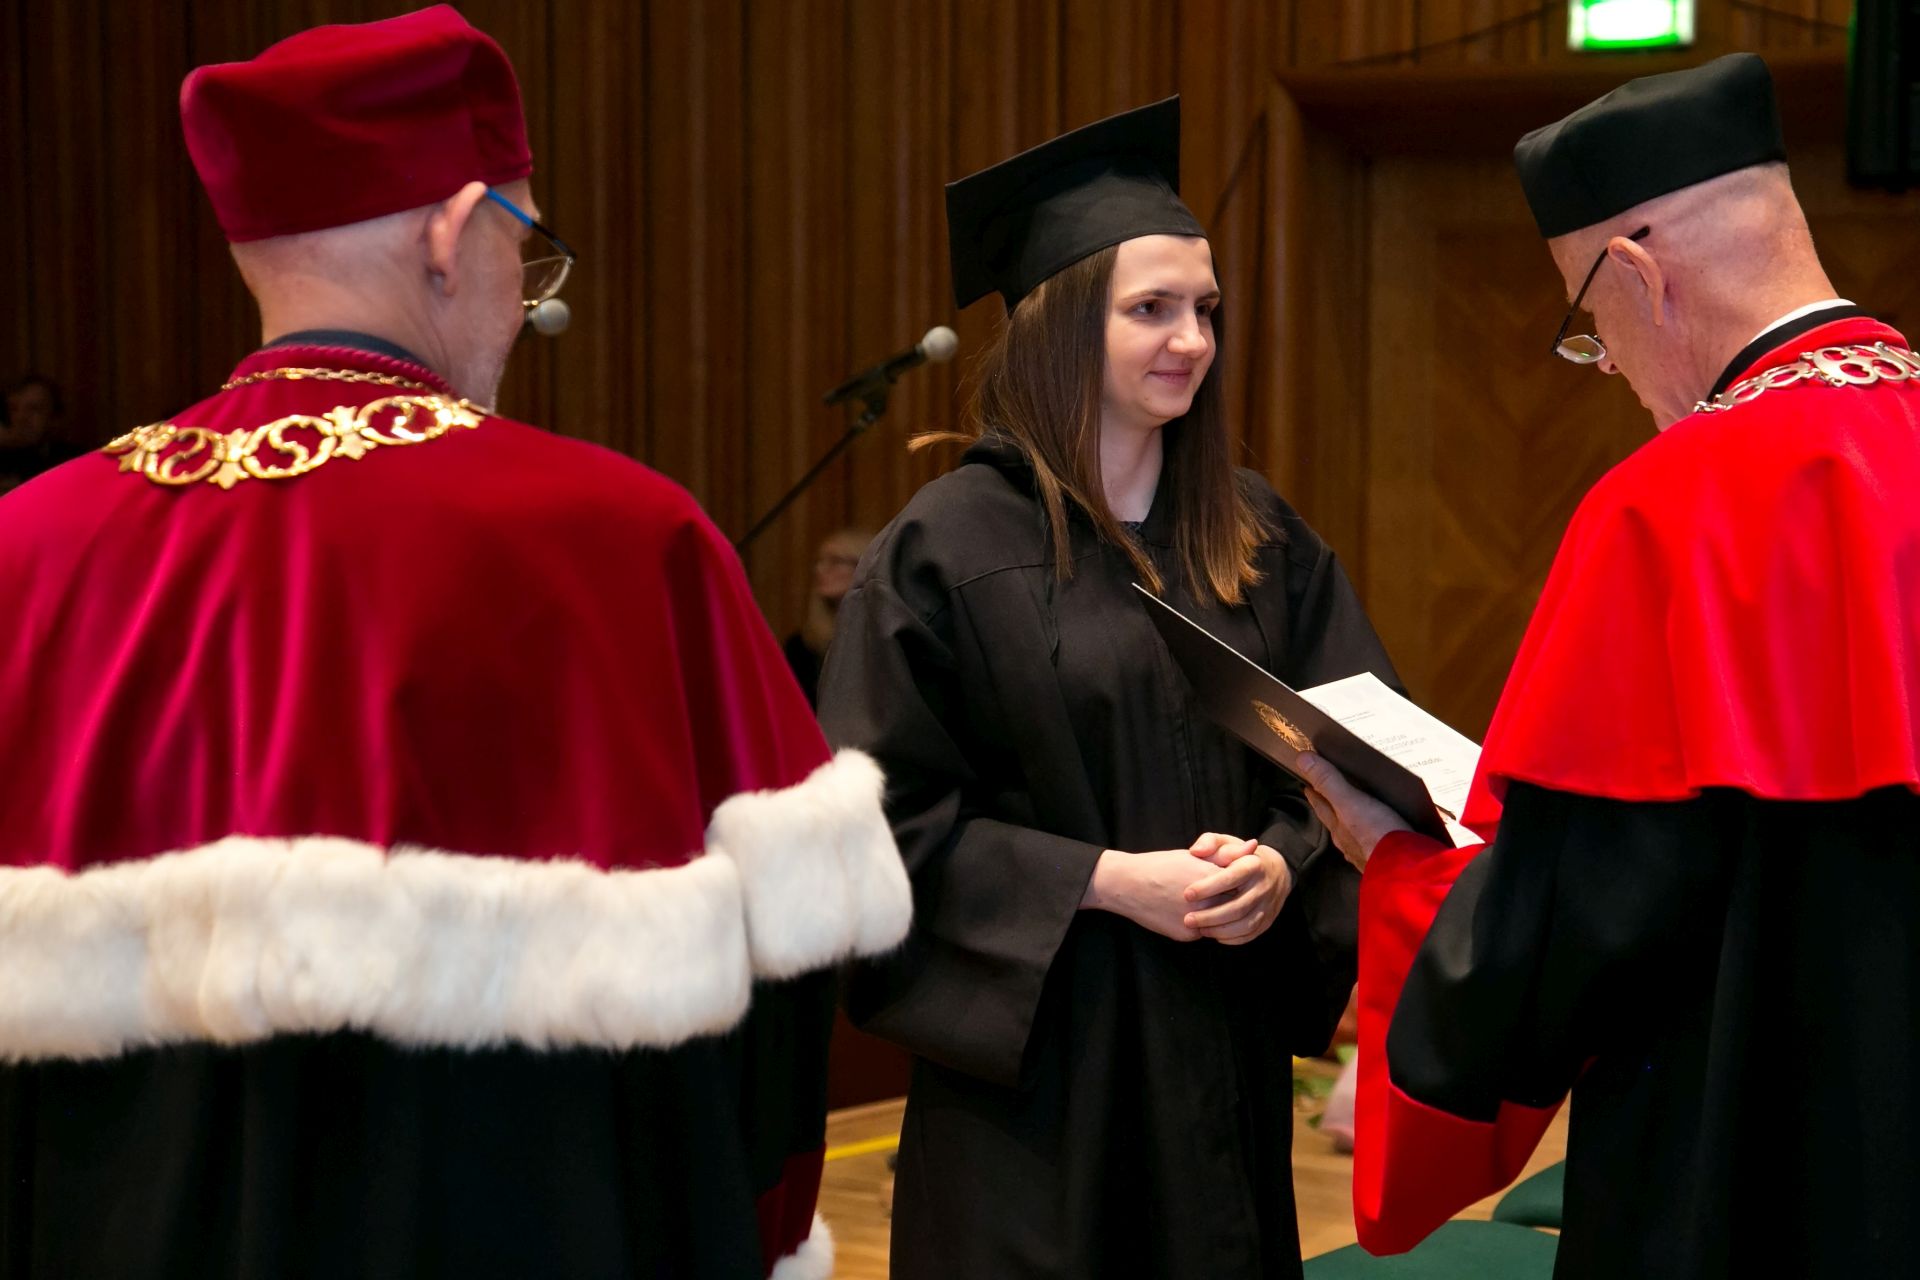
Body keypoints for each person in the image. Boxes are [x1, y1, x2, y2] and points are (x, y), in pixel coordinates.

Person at [0, 8, 907, 1279]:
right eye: (525, 248)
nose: (521, 298)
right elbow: (781, 1006)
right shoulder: (619, 536)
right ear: (452, 229)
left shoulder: (28, 546)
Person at [1298, 54, 1920, 1277]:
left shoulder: (1674, 506)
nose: (1613, 367)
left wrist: (1407, 867)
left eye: (1588, 327)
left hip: (1752, 1164)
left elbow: (1582, 913)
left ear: (1635, 272)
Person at [817, 97, 1402, 1279]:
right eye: (1152, 309)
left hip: (1219, 1064)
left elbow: (1357, 753)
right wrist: (1104, 880)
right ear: (1061, 321)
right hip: (1036, 1090)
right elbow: (872, 833)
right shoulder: (946, 548)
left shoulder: (1255, 534)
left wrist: (1283, 859)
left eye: (1205, 309)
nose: (1191, 338)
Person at [784, 526, 873, 707]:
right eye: (819, 562)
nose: (820, 569)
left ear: (863, 566)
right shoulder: (802, 646)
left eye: (836, 561)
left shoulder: (883, 639)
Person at [0, 373, 74, 494]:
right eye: (14, 409)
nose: (20, 417)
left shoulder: (70, 461)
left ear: (53, 418)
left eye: (33, 409)